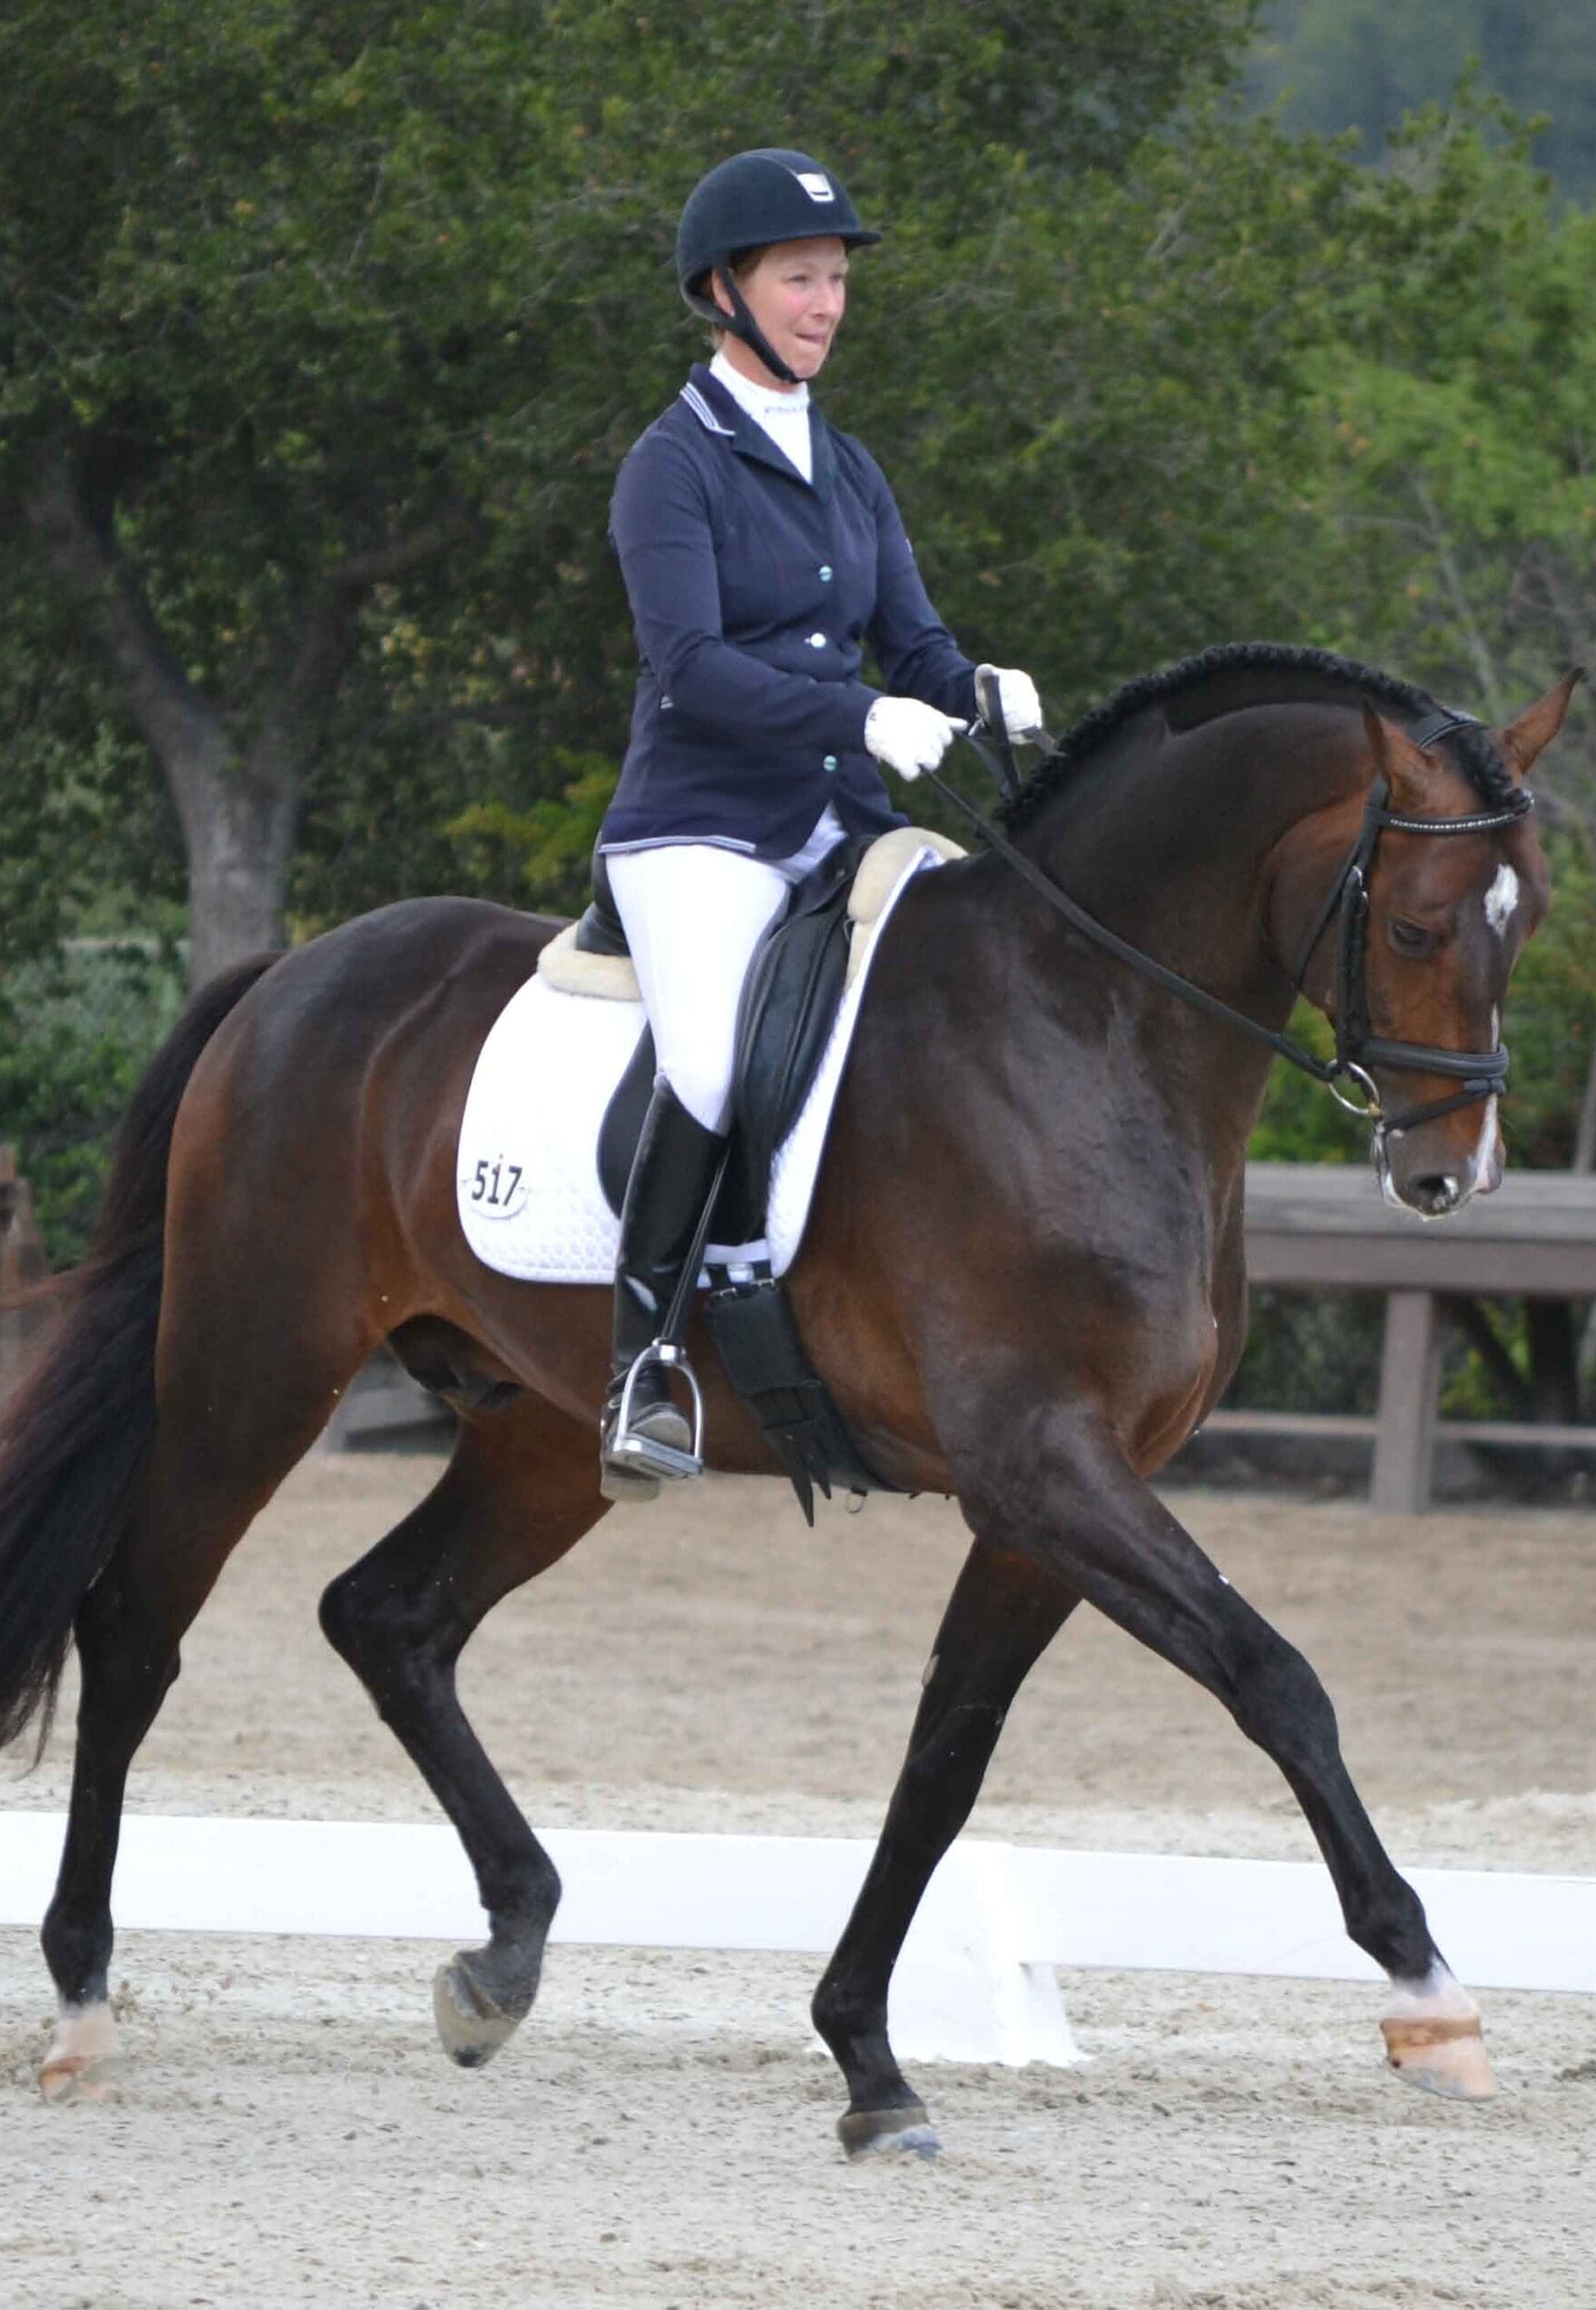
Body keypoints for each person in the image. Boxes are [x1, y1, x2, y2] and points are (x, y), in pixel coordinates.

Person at [598, 146, 1043, 1501]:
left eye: (837, 278)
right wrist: (852, 718)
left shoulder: (849, 468)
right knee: (715, 1067)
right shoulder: (669, 468)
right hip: (701, 826)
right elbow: (692, 667)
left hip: (840, 824)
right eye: (800, 276)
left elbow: (911, 642)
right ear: (724, 289)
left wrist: (973, 687)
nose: (826, 301)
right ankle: (646, 1361)